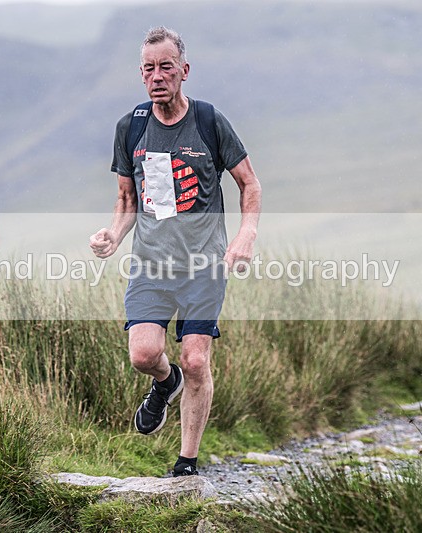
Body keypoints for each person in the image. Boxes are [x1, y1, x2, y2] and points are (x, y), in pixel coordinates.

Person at [89, 26, 261, 477]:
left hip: (204, 264)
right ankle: (166, 384)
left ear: (184, 71)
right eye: (149, 68)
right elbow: (128, 201)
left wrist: (246, 234)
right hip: (151, 264)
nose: (157, 75)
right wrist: (112, 235)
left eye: (166, 66)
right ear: (141, 74)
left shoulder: (208, 121)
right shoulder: (131, 128)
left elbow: (249, 183)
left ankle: (186, 463)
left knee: (196, 357)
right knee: (144, 355)